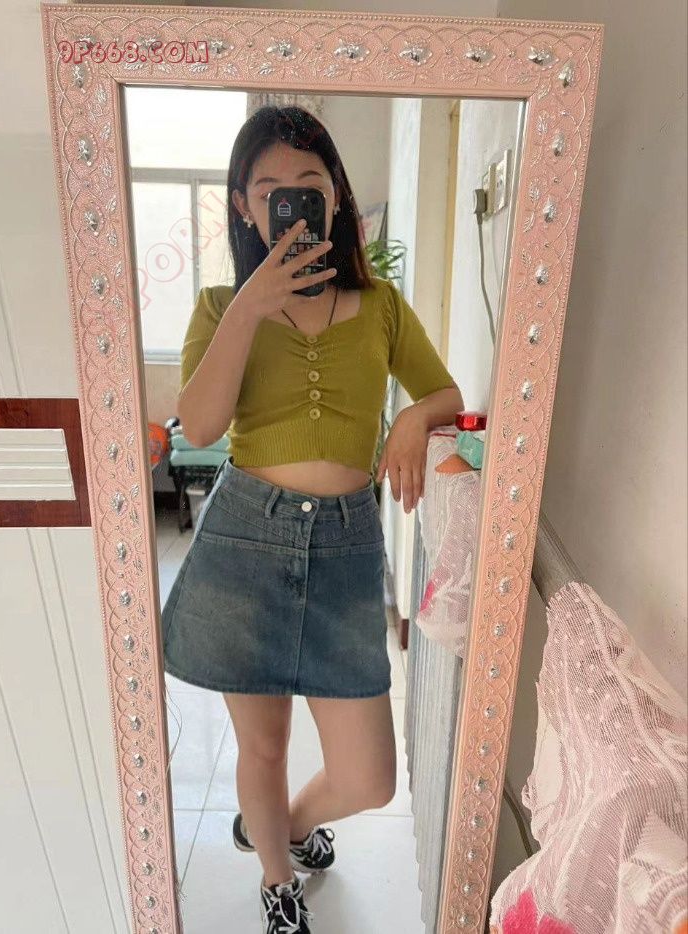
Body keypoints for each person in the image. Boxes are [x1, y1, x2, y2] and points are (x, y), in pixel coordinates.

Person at [161, 105, 463, 933]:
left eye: (309, 185)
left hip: (345, 545)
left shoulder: (382, 305)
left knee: (369, 776)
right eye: (269, 191)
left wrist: (413, 417)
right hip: (244, 540)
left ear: (336, 198)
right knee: (262, 746)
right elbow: (201, 425)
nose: (290, 203)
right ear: (243, 206)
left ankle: (284, 827)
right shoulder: (219, 306)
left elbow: (444, 393)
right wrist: (250, 307)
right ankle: (276, 879)